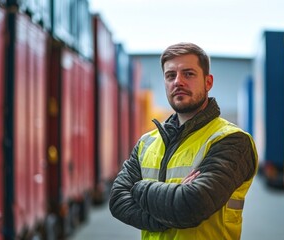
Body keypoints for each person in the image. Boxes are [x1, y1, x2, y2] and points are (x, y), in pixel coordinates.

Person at [109, 42, 258, 240]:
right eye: (171, 75)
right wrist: (168, 216)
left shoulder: (232, 141)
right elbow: (117, 200)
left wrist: (139, 187)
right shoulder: (147, 142)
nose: (178, 81)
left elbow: (191, 205)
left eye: (188, 74)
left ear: (208, 82)